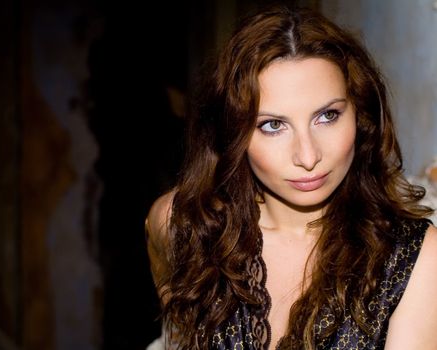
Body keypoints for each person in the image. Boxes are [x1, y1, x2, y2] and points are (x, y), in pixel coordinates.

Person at [145, 5, 437, 350]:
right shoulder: (181, 224)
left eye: (327, 116)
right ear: (232, 133)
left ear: (360, 115)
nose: (308, 156)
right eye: (273, 125)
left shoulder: (412, 255)